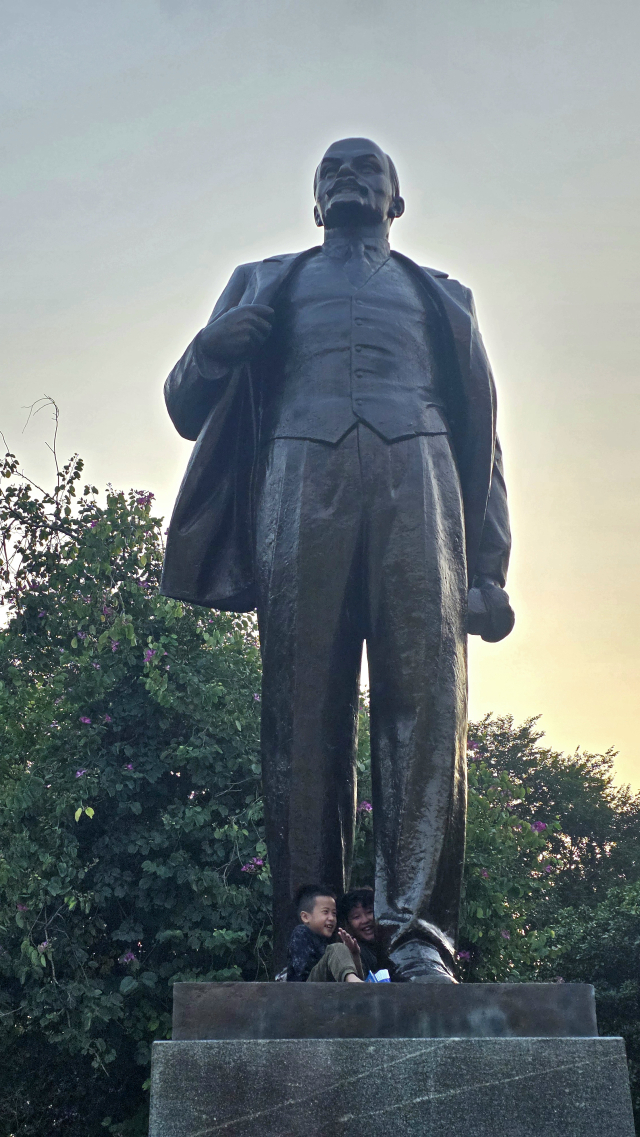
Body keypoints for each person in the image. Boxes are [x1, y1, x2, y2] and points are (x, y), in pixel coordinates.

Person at [162, 137, 515, 981]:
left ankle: (418, 936)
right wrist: (213, 347)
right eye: (332, 172)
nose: (349, 177)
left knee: (425, 709)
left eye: (368, 169)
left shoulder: (444, 296)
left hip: (419, 485)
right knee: (300, 711)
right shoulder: (262, 282)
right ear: (316, 205)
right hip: (299, 485)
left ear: (397, 202)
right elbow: (183, 407)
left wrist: (490, 567)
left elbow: (483, 438)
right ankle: (313, 940)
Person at [286, 885, 364, 982]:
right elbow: (304, 972)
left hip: (326, 988)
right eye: (325, 912)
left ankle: (351, 979)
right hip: (305, 988)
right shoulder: (301, 932)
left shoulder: (325, 940)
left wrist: (354, 955)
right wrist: (333, 955)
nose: (331, 918)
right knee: (337, 948)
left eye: (334, 913)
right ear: (305, 917)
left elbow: (360, 983)